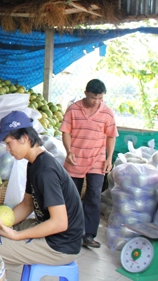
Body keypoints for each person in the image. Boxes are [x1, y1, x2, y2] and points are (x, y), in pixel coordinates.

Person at [0, 111, 84, 266]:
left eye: (8, 143)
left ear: (25, 138)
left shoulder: (45, 171)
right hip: (53, 233)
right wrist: (2, 224)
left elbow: (60, 223)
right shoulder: (33, 164)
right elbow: (27, 205)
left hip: (60, 245)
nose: (7, 149)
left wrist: (17, 236)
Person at [59, 79, 118, 248]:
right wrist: (69, 150)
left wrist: (109, 158)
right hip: (75, 159)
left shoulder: (107, 113)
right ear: (85, 93)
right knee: (71, 196)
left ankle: (88, 235)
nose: (97, 102)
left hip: (97, 161)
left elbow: (111, 136)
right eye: (94, 98)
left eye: (100, 98)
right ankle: (68, 231)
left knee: (93, 196)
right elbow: (66, 132)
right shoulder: (73, 110)